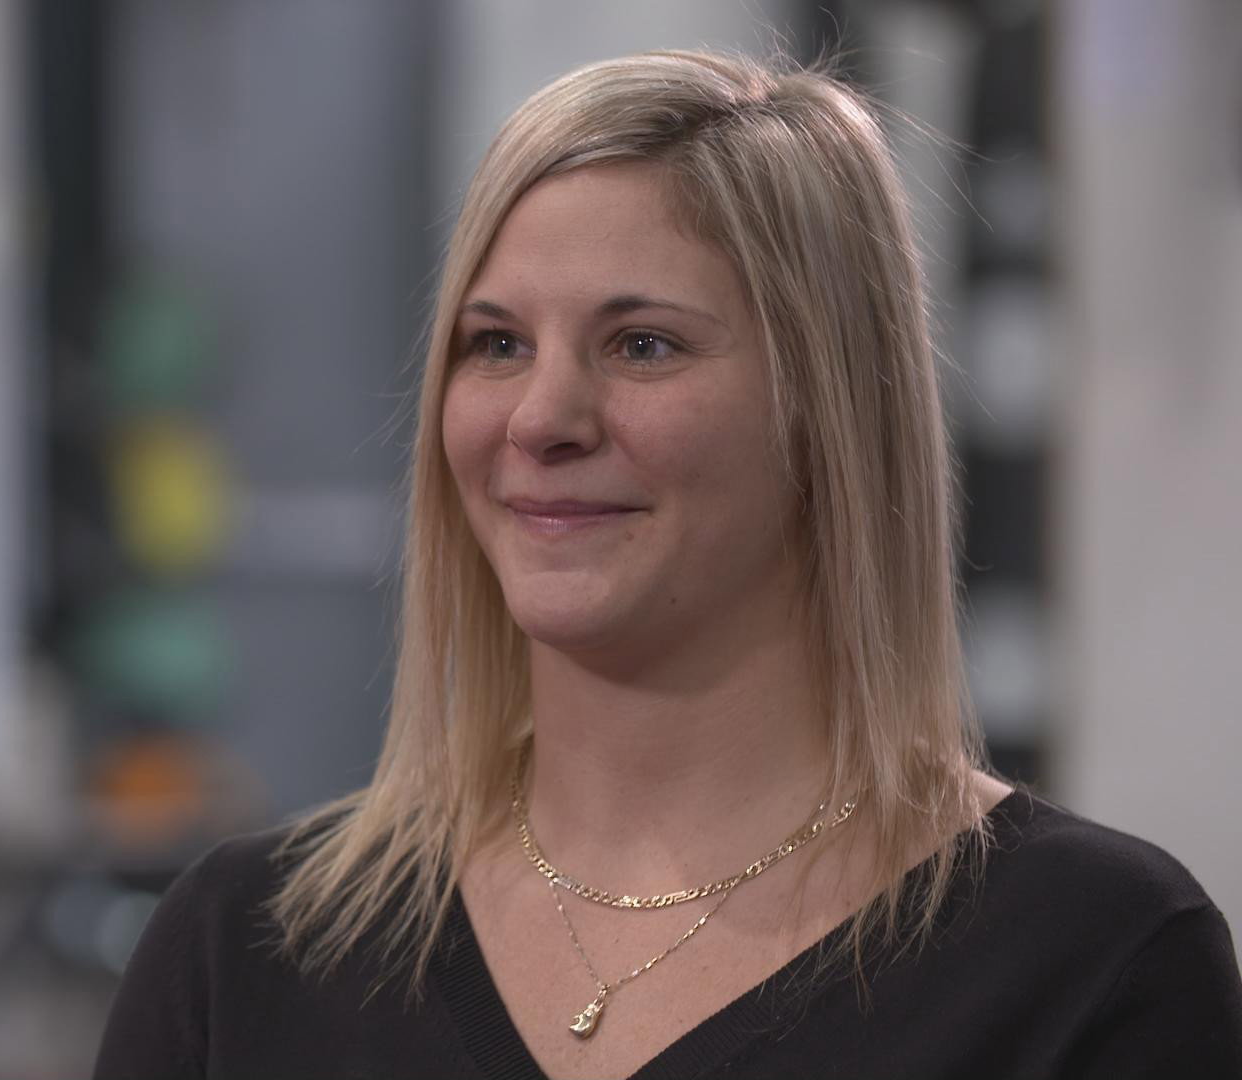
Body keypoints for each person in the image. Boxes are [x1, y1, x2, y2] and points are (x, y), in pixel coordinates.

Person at [91, 49, 1242, 1079]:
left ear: (827, 411)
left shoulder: (1092, 962)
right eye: (497, 344)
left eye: (642, 345)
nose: (541, 418)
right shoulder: (246, 953)